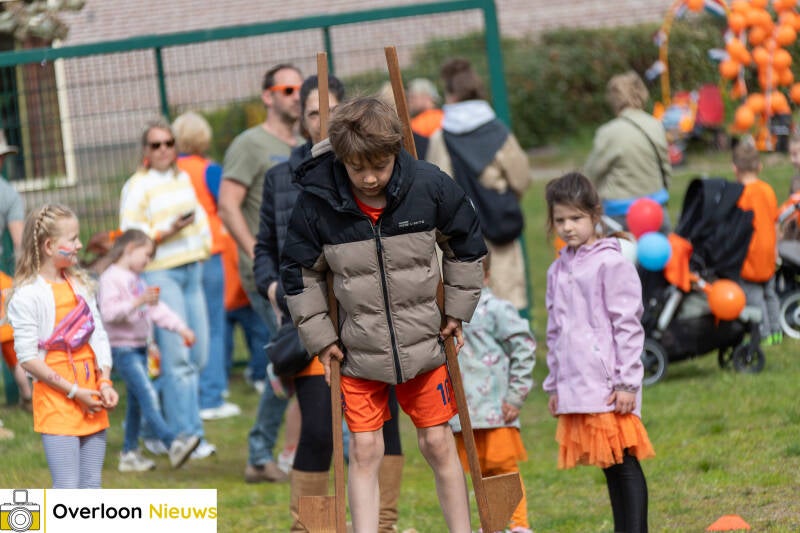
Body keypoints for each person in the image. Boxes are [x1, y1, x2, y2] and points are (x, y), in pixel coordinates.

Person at [281, 97, 487, 532]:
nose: (371, 177)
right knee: (366, 449)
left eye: (380, 165)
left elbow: (466, 244)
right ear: (342, 160)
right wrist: (323, 339)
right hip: (356, 352)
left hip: (425, 347)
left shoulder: (429, 186)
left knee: (437, 442)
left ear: (395, 152)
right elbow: (300, 274)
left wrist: (457, 310)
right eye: (359, 168)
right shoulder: (318, 203)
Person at [256, 75, 405, 531]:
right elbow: (266, 248)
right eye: (314, 112)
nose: (322, 120)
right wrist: (274, 289)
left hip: (367, 315)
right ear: (301, 117)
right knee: (319, 428)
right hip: (309, 318)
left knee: (383, 426)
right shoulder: (282, 176)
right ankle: (312, 525)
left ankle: (381, 522)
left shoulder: (368, 174)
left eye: (331, 111)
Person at [543, 172, 655, 533]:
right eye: (560, 220)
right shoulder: (556, 271)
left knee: (624, 462)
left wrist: (627, 383)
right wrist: (555, 385)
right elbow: (555, 331)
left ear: (595, 215)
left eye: (576, 218)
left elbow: (628, 325)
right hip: (580, 385)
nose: (568, 227)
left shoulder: (612, 263)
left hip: (611, 385)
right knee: (609, 465)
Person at [219, 62, 304, 483]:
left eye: (300, 89)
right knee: (288, 355)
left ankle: (305, 446)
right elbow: (228, 204)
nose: (296, 95)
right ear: (268, 96)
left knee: (298, 356)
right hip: (267, 277)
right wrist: (256, 252)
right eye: (287, 89)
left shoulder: (304, 142)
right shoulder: (250, 144)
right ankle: (259, 452)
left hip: (304, 272)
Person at [119, 118, 216, 459]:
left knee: (199, 355)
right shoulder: (136, 186)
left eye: (169, 143)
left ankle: (150, 428)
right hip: (161, 274)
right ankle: (188, 436)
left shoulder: (183, 178)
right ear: (145, 151)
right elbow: (132, 235)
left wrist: (203, 249)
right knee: (177, 360)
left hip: (192, 269)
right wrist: (166, 231)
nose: (164, 150)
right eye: (156, 144)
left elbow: (202, 218)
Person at [7, 204, 120, 488]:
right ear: (48, 245)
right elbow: (28, 358)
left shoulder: (81, 285)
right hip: (57, 399)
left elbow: (98, 336)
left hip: (91, 393)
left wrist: (104, 381)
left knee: (91, 484)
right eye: (72, 239)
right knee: (68, 488)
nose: (80, 244)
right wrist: (73, 392)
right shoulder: (27, 295)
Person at [426, 58, 532, 311]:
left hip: (459, 238)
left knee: (463, 308)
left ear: (450, 95)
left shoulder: (441, 137)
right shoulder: (498, 132)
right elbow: (522, 178)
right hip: (498, 230)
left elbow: (436, 187)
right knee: (506, 304)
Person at [97, 229, 201, 471]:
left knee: (136, 403)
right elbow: (109, 313)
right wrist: (138, 301)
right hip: (122, 349)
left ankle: (129, 454)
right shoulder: (111, 278)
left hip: (140, 347)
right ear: (130, 248)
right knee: (148, 395)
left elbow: (157, 310)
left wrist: (181, 328)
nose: (148, 261)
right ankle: (172, 443)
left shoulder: (138, 279)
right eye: (147, 255)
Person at [448, 253, 536, 533]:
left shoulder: (497, 310)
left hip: (496, 409)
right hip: (462, 414)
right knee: (477, 472)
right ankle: (492, 524)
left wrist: (515, 395)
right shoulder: (445, 314)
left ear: (485, 276)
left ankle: (517, 524)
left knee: (503, 468)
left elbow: (524, 348)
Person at [173, 111, 241, 420]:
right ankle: (211, 396)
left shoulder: (167, 171)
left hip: (177, 256)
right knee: (213, 326)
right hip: (210, 252)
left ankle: (188, 394)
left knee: (183, 326)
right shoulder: (209, 170)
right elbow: (227, 205)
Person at [584, 70, 672, 233]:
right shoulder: (656, 125)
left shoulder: (609, 132)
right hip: (656, 210)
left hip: (620, 215)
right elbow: (666, 168)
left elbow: (591, 175)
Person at [733, 139, 781, 345]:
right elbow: (775, 222)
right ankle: (777, 330)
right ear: (759, 166)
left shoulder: (739, 195)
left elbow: (736, 230)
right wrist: (776, 249)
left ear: (735, 168)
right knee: (770, 294)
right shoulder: (768, 190)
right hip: (769, 252)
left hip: (750, 255)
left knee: (755, 297)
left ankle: (764, 333)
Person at [0, 130, 32, 414]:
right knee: (7, 331)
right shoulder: (9, 193)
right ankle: (27, 391)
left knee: (7, 331)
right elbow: (20, 244)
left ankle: (27, 392)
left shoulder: (8, 193)